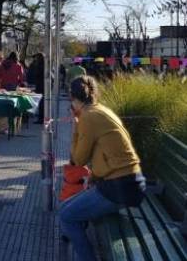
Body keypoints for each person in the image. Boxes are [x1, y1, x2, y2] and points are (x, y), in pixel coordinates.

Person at [59, 76, 145, 261]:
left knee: (66, 216)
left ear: (74, 99)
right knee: (66, 207)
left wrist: (75, 127)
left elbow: (78, 159)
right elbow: (106, 153)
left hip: (120, 186)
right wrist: (95, 176)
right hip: (127, 182)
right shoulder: (101, 110)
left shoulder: (87, 117)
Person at [27, 53, 45, 124]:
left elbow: (36, 74)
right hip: (40, 86)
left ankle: (41, 118)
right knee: (41, 103)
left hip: (40, 86)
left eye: (36, 58)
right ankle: (40, 117)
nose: (35, 60)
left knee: (41, 103)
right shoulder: (42, 65)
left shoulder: (39, 66)